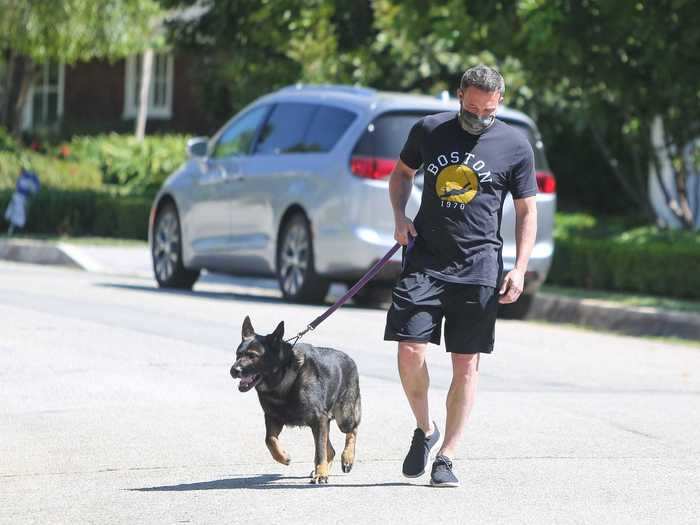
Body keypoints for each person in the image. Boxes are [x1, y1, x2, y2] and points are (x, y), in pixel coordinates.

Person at [384, 64, 538, 487]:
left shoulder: (515, 145)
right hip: (426, 258)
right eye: (471, 109)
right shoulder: (429, 130)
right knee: (409, 350)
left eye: (487, 111)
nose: (478, 118)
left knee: (465, 364)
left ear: (499, 103)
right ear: (459, 97)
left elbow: (527, 211)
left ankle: (447, 456)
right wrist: (400, 216)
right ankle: (425, 428)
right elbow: (401, 174)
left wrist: (520, 269)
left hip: (480, 265)